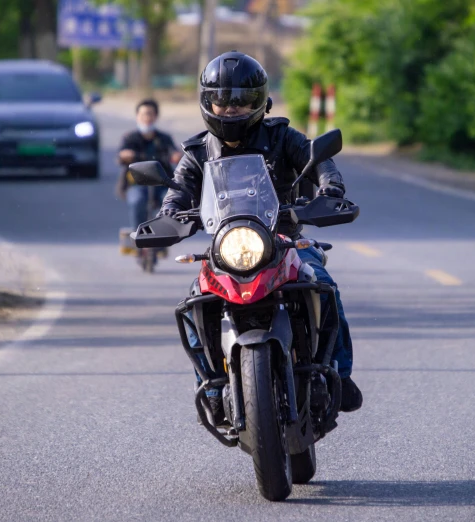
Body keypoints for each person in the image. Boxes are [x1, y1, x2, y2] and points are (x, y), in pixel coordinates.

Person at [159, 51, 363, 423]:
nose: (231, 110)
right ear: (207, 102)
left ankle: (341, 372)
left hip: (283, 241)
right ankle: (211, 382)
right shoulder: (197, 152)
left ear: (261, 102)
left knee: (324, 284)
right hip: (227, 246)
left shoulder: (283, 136)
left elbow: (318, 162)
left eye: (242, 102)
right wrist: (168, 214)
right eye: (221, 101)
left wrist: (330, 189)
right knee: (194, 303)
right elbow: (176, 193)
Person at [116, 99, 182, 232]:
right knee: (137, 201)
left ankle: (165, 233)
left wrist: (177, 156)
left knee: (171, 203)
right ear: (137, 116)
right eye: (143, 114)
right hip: (137, 184)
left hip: (161, 184)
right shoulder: (130, 138)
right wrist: (125, 155)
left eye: (150, 114)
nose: (146, 118)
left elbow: (174, 152)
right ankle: (139, 234)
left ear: (155, 116)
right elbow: (121, 155)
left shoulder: (164, 138)